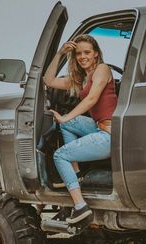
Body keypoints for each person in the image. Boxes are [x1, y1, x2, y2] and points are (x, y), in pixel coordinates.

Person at [43, 34, 118, 225]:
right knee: (66, 124)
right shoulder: (80, 79)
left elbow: (92, 99)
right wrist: (60, 53)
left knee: (60, 155)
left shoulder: (103, 69)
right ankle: (76, 174)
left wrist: (66, 116)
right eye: (78, 53)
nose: (82, 56)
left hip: (110, 135)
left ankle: (80, 207)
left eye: (87, 52)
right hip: (97, 127)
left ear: (96, 54)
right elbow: (48, 80)